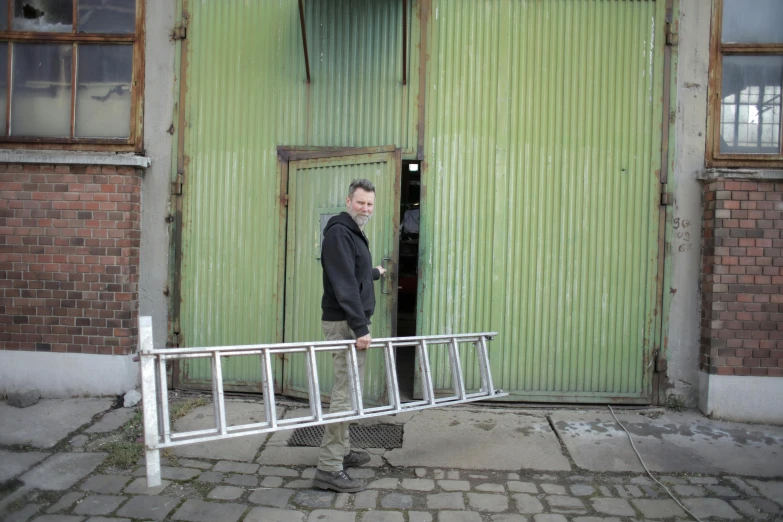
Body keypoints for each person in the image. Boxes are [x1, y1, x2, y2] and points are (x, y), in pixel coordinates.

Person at [313, 179, 386, 493]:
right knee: (344, 394)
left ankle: (341, 451)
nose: (366, 209)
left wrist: (375, 272)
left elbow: (354, 273)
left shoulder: (352, 233)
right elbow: (343, 284)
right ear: (348, 201)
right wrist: (360, 327)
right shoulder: (339, 233)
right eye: (361, 203)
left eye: (370, 204)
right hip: (345, 324)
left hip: (350, 322)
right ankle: (329, 468)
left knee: (349, 390)